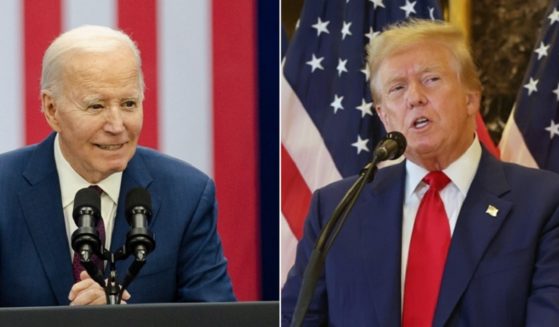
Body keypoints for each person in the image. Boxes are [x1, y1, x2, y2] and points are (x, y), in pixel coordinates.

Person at [281, 19, 559, 326]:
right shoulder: (336, 209)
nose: (414, 97)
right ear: (384, 116)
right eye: (398, 88)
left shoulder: (543, 203)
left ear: (471, 98)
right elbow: (299, 319)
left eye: (431, 79)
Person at [0, 25, 235, 306]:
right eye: (96, 106)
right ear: (52, 110)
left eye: (128, 103)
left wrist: (125, 320)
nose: (116, 125)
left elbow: (216, 317)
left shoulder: (188, 196)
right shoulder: (5, 189)